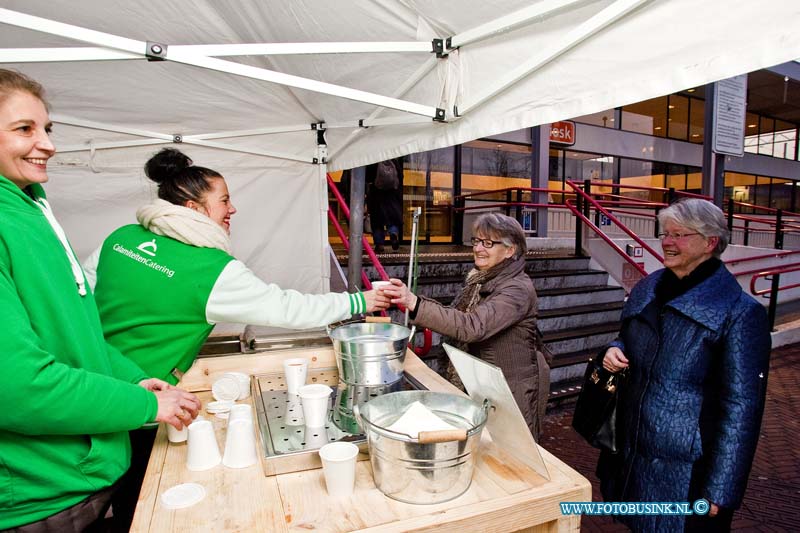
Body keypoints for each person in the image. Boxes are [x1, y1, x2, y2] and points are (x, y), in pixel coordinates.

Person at [83, 147, 390, 528]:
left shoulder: (120, 239)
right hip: (145, 404)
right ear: (194, 209)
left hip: (92, 387)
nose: (233, 210)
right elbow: (288, 309)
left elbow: (79, 307)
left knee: (100, 495)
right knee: (140, 506)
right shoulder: (212, 270)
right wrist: (362, 298)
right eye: (224, 200)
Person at [0, 70, 200, 532]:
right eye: (24, 129)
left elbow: (76, 333)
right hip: (37, 496)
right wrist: (146, 407)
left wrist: (135, 380)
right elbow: (17, 387)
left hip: (80, 476)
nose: (46, 144)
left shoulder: (32, 209)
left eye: (47, 129)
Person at [597, 198, 771, 532]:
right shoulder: (649, 288)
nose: (667, 242)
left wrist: (721, 488)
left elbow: (741, 408)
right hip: (635, 450)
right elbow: (627, 337)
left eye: (679, 235)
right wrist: (614, 350)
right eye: (665, 233)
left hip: (688, 470)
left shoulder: (739, 312)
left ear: (710, 243)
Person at [383, 213, 549, 439]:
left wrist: (414, 303)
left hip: (509, 394)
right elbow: (456, 316)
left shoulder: (517, 289)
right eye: (477, 241)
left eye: (488, 243)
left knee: (510, 461)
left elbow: (472, 327)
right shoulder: (479, 279)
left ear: (510, 250)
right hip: (485, 388)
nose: (479, 248)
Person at [366, 157, 403, 253]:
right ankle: (393, 234)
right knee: (392, 218)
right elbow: (400, 175)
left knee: (377, 221)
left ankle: (379, 244)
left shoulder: (374, 158)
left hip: (376, 193)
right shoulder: (393, 159)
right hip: (392, 194)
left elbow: (368, 176)